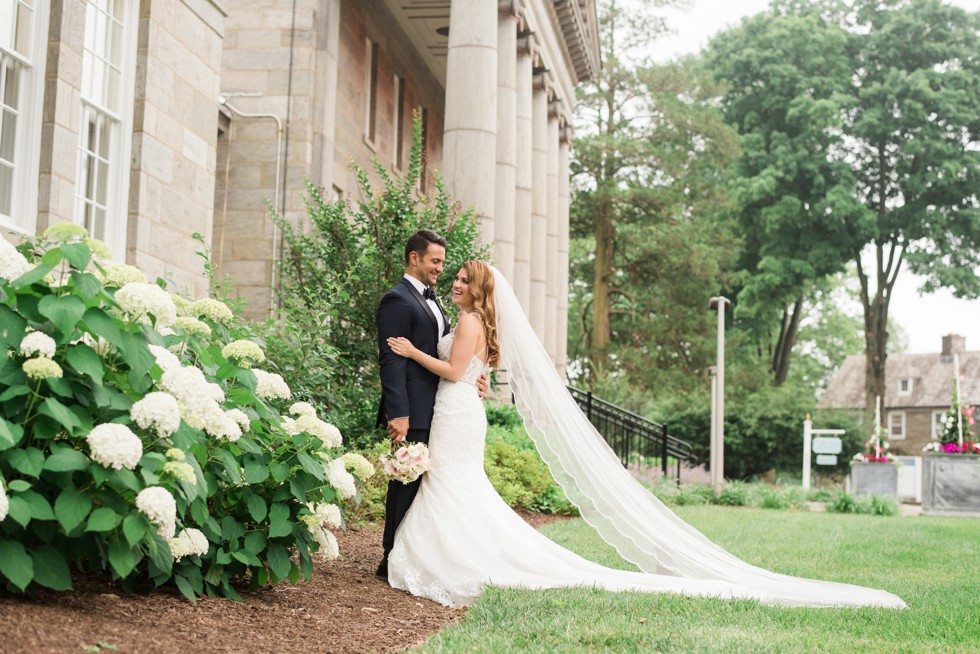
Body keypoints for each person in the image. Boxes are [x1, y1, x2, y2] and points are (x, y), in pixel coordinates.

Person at [382, 261, 907, 610]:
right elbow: (472, 372)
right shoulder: (476, 320)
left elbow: (454, 372)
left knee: (454, 484)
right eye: (451, 277)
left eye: (461, 279)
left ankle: (458, 554)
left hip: (456, 411)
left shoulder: (471, 320)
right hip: (460, 414)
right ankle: (464, 548)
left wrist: (411, 353)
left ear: (478, 289)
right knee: (457, 486)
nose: (453, 283)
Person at [375, 230, 487, 579]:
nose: (441, 268)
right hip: (414, 408)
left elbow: (456, 356)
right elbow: (391, 361)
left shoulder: (435, 302)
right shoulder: (397, 300)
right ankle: (391, 555)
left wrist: (474, 376)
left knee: (423, 484)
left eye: (443, 262)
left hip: (441, 406)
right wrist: (399, 413)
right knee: (404, 482)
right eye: (435, 261)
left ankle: (418, 554)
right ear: (414, 258)